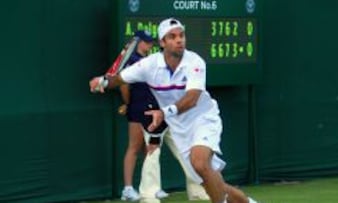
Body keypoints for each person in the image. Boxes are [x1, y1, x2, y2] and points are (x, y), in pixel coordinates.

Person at [90, 18, 257, 203]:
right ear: (162, 42)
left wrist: (164, 112)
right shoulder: (148, 65)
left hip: (203, 118)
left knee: (200, 162)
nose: (179, 40)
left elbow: (192, 98)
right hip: (180, 129)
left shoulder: (195, 61)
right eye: (172, 37)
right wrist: (102, 81)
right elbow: (118, 79)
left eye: (181, 35)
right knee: (210, 181)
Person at [115, 30, 169, 201]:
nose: (150, 44)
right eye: (147, 42)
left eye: (151, 42)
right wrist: (128, 103)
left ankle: (152, 187)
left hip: (152, 106)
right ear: (138, 42)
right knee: (134, 147)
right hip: (137, 107)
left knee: (152, 147)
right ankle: (128, 189)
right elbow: (123, 84)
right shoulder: (130, 61)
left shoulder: (147, 60)